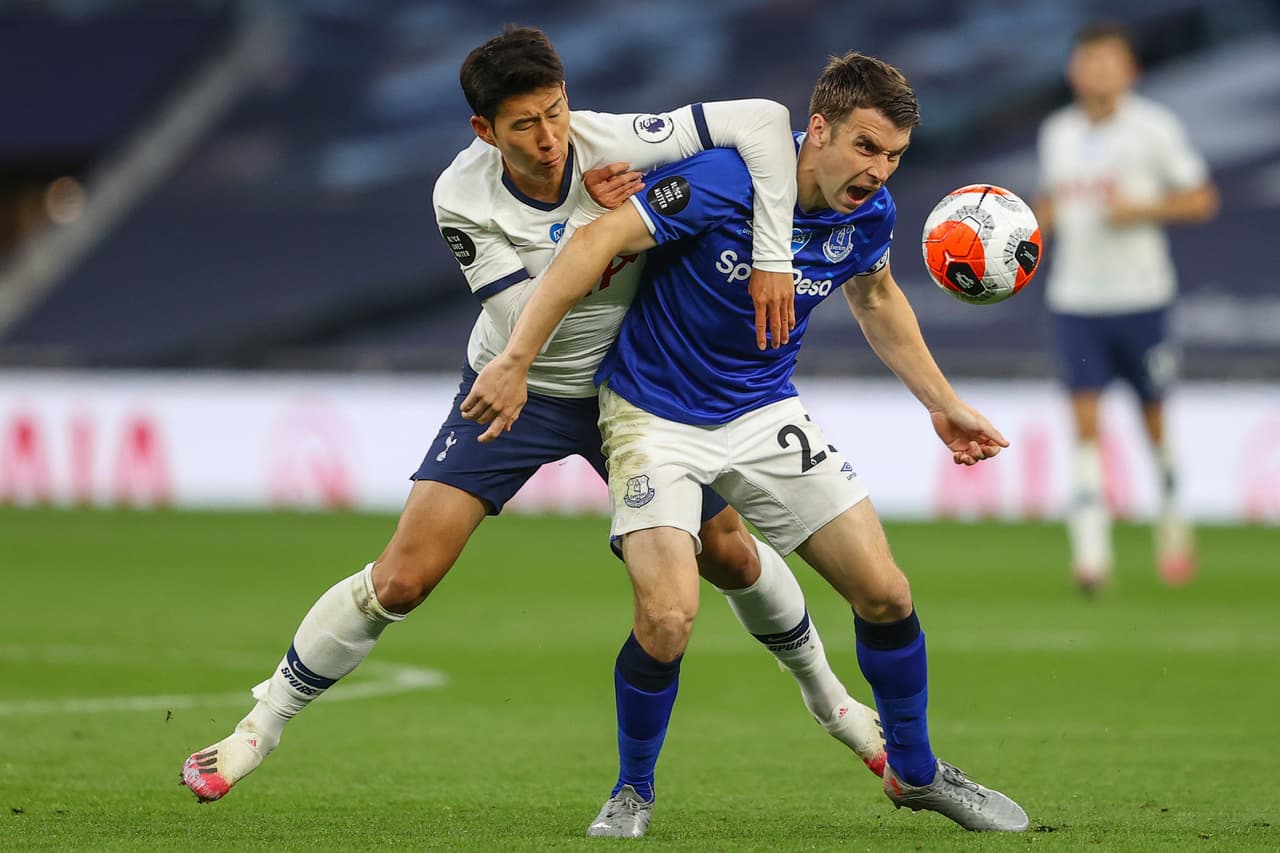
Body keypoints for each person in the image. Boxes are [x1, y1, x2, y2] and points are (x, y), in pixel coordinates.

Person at [179, 26, 885, 806]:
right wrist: (608, 230)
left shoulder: (607, 138)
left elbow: (758, 119)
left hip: (638, 390)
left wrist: (765, 252)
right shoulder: (461, 194)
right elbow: (527, 316)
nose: (551, 139)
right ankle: (260, 724)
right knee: (404, 579)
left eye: (556, 112)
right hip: (517, 388)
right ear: (484, 131)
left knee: (734, 559)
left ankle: (838, 705)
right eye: (525, 124)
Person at [462, 51, 1030, 836]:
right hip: (652, 416)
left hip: (763, 411)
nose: (878, 171)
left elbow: (876, 296)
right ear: (818, 128)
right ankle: (632, 790)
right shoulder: (724, 180)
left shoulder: (873, 214)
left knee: (887, 593)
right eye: (866, 148)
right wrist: (516, 358)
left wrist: (943, 404)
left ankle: (917, 770)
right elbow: (592, 247)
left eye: (894, 156)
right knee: (667, 619)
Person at [1034, 21, 1219, 593]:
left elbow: (1201, 197)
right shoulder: (1057, 132)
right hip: (1077, 299)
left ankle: (1172, 527)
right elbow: (1050, 201)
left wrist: (1140, 209)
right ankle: (1091, 557)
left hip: (1142, 296)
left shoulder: (1154, 129)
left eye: (1109, 62)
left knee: (1154, 421)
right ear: (1074, 70)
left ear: (1129, 70)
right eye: (1089, 62)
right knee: (1084, 424)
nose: (1098, 73)